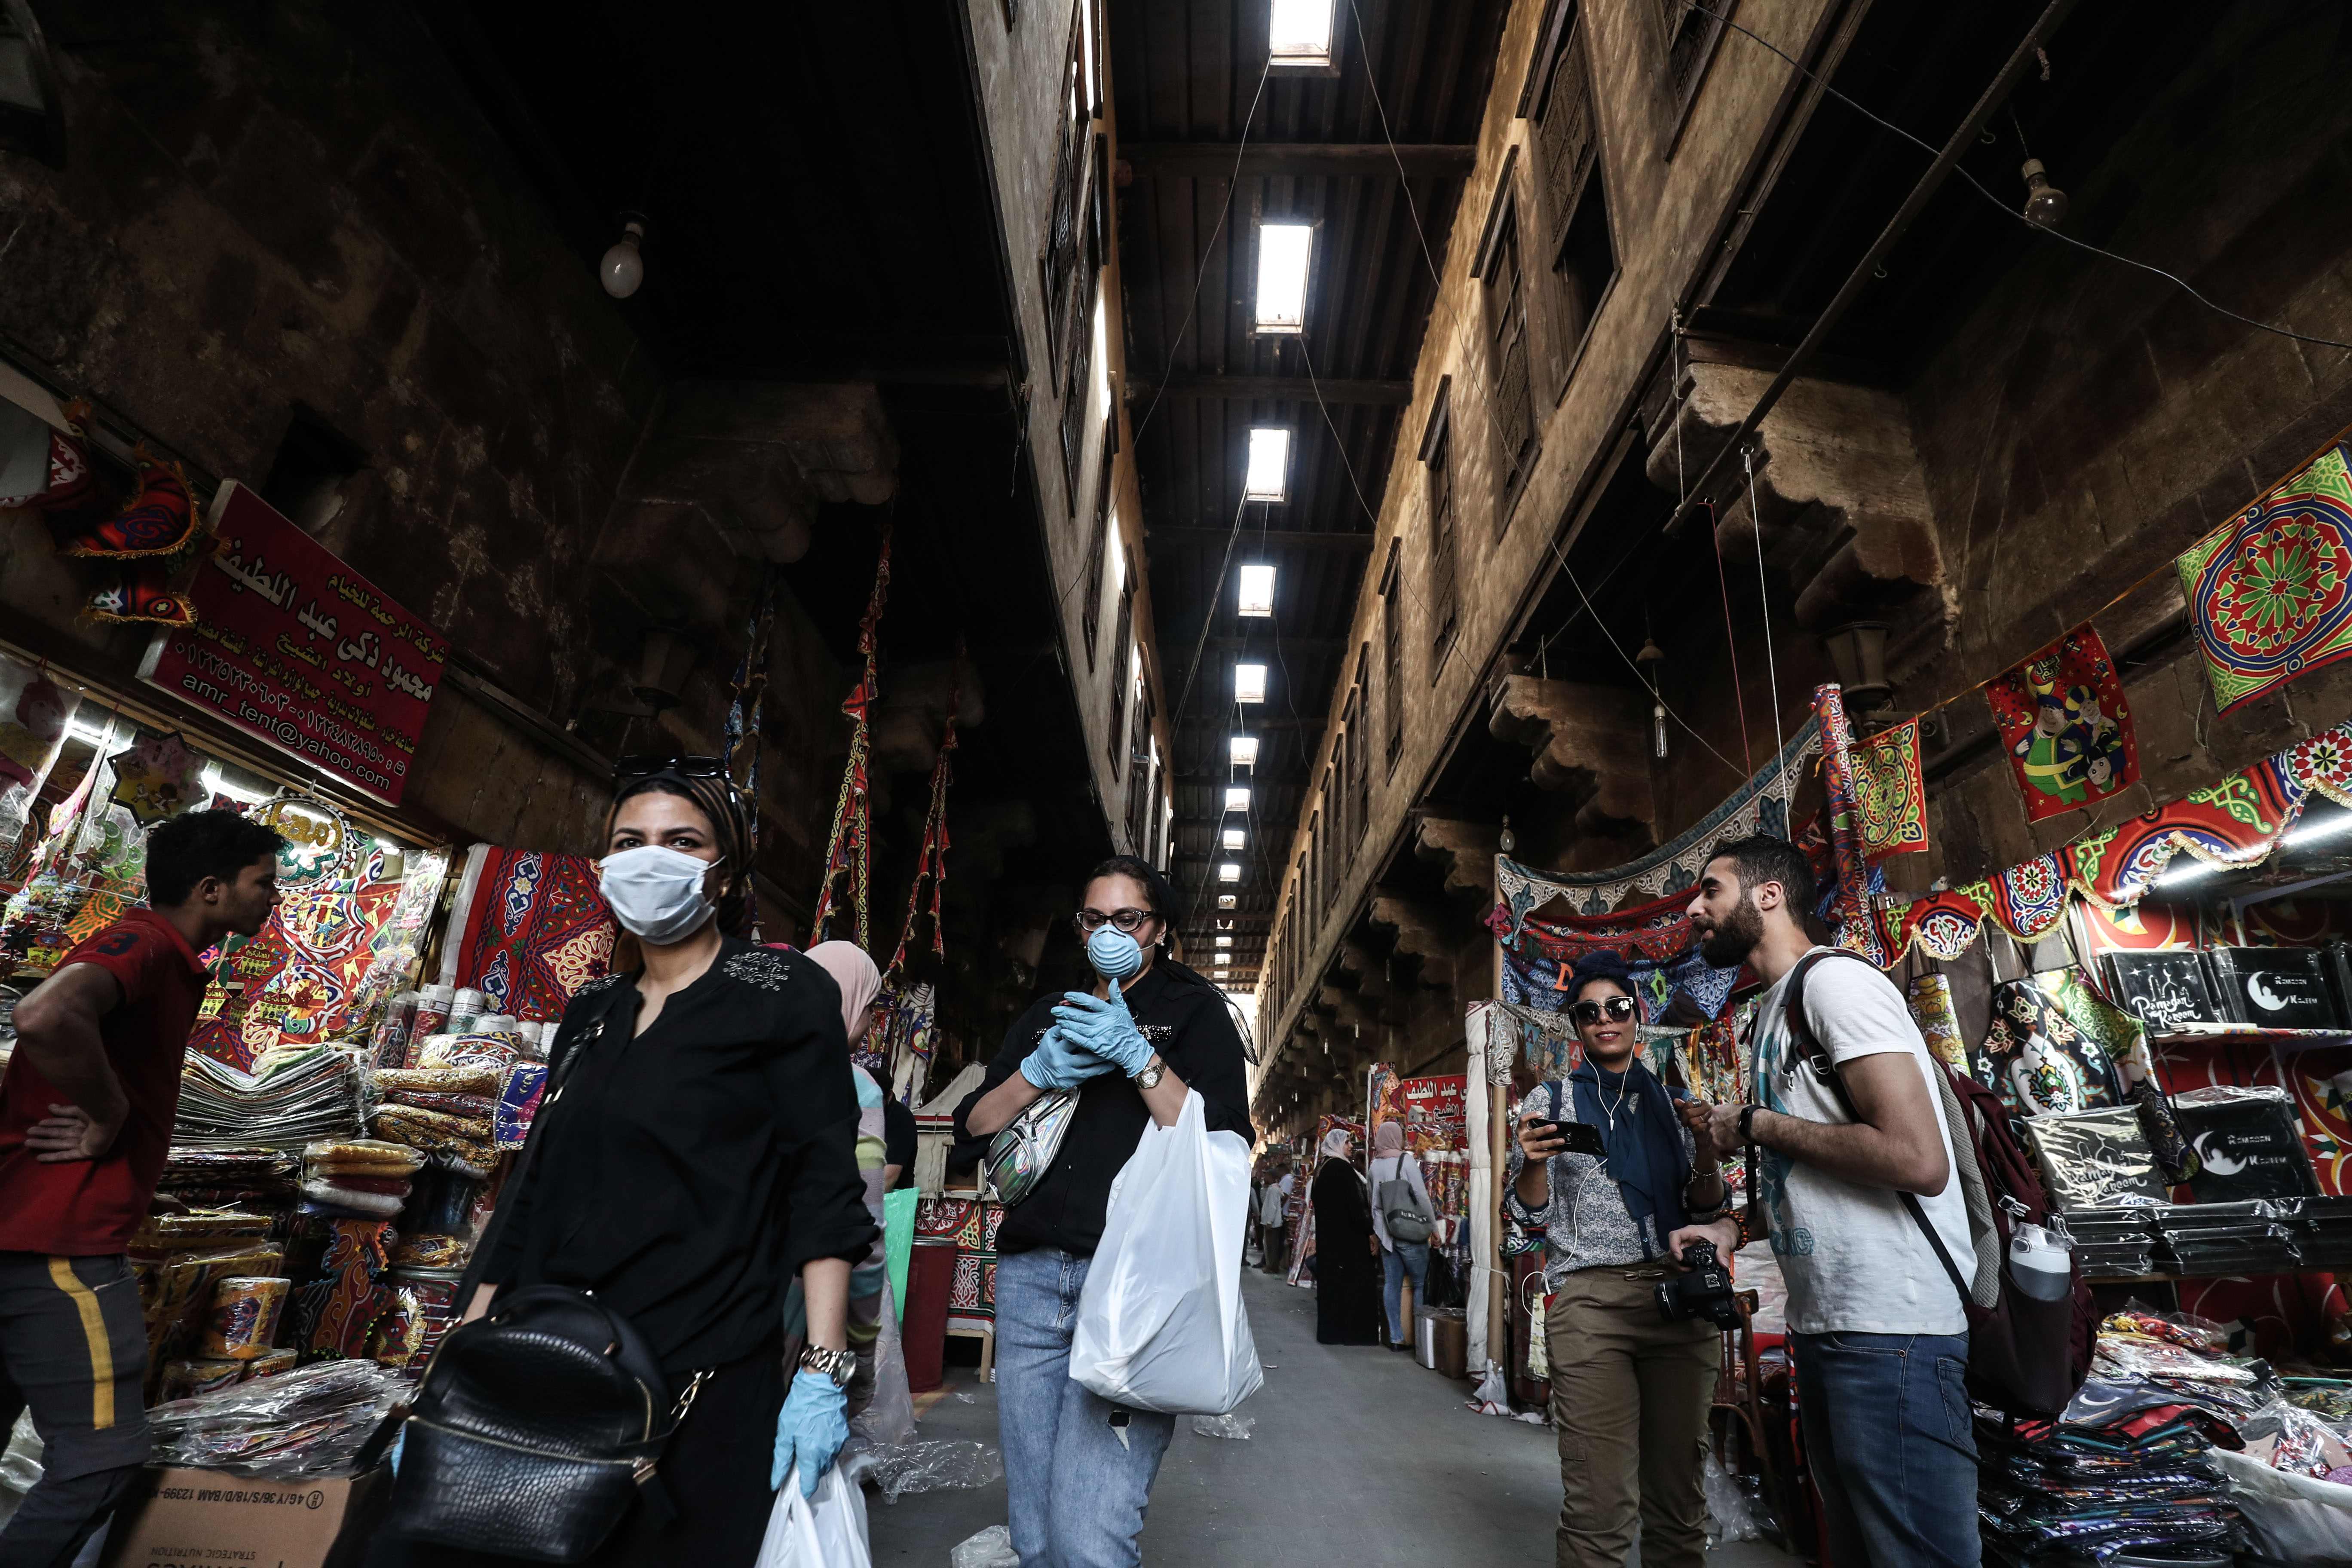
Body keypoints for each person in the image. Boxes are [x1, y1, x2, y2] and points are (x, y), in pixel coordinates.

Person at [377, 763, 877, 1567]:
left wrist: (821, 1370)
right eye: (629, 843)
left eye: (682, 842)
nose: (652, 860)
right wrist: (457, 1361)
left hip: (699, 1372)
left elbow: (822, 1187)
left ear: (723, 872)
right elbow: (532, 1194)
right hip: (544, 1356)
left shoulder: (780, 989)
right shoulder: (593, 1010)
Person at [1682, 834, 1976, 1568]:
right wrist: (1731, 1224)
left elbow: (1917, 1158)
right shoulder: (1771, 1014)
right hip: (1832, 1327)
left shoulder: (1835, 986)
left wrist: (1754, 1123)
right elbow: (1806, 1180)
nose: (1694, 908)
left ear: (1769, 894)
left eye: (1710, 890)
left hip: (1894, 1329)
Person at [0, 807, 284, 1567]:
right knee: (105, 1455)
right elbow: (45, 1011)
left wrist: (135, 1168)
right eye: (265, 882)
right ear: (211, 888)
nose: (274, 897)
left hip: (33, 1226)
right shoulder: (148, 944)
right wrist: (109, 1111)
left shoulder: (160, 952)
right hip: (58, 1239)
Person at [954, 855, 1251, 1568]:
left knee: (1088, 1542)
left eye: (1128, 918)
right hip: (1029, 1279)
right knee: (1035, 1536)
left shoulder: (1195, 1011)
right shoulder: (1048, 1012)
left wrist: (1135, 1055)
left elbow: (1218, 1142)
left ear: (1160, 929)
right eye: (1094, 918)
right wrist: (1037, 1071)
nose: (1109, 932)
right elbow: (973, 1123)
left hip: (1131, 1286)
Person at [1501, 949, 1737, 1568]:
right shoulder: (1550, 1105)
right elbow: (1528, 1220)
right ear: (1576, 1027)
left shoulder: (1675, 1103)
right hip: (1590, 1305)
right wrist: (1532, 1162)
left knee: (1679, 1500)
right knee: (1599, 1504)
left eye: (1617, 1007)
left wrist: (1706, 1147)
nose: (1605, 1020)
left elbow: (1708, 1205)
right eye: (1589, 1012)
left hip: (1679, 1302)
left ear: (1637, 1014)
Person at [1309, 1127, 1382, 1345]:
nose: (1351, 1146)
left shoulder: (1323, 1167)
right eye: (1347, 1142)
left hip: (1331, 1240)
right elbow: (1355, 1207)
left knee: (1333, 1287)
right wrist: (1370, 1232)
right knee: (1353, 1286)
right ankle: (1354, 1334)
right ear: (1337, 1145)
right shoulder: (1341, 1168)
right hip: (1348, 1241)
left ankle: (1332, 1333)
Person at [1368, 1121, 1436, 1351]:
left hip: (1387, 1235)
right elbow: (1421, 1196)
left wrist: (1378, 1233)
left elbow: (1373, 1203)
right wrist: (1434, 1227)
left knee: (1392, 1284)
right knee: (1419, 1284)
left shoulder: (1374, 1166)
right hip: (1409, 1232)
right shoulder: (1406, 1161)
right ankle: (1420, 1341)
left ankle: (1396, 1338)